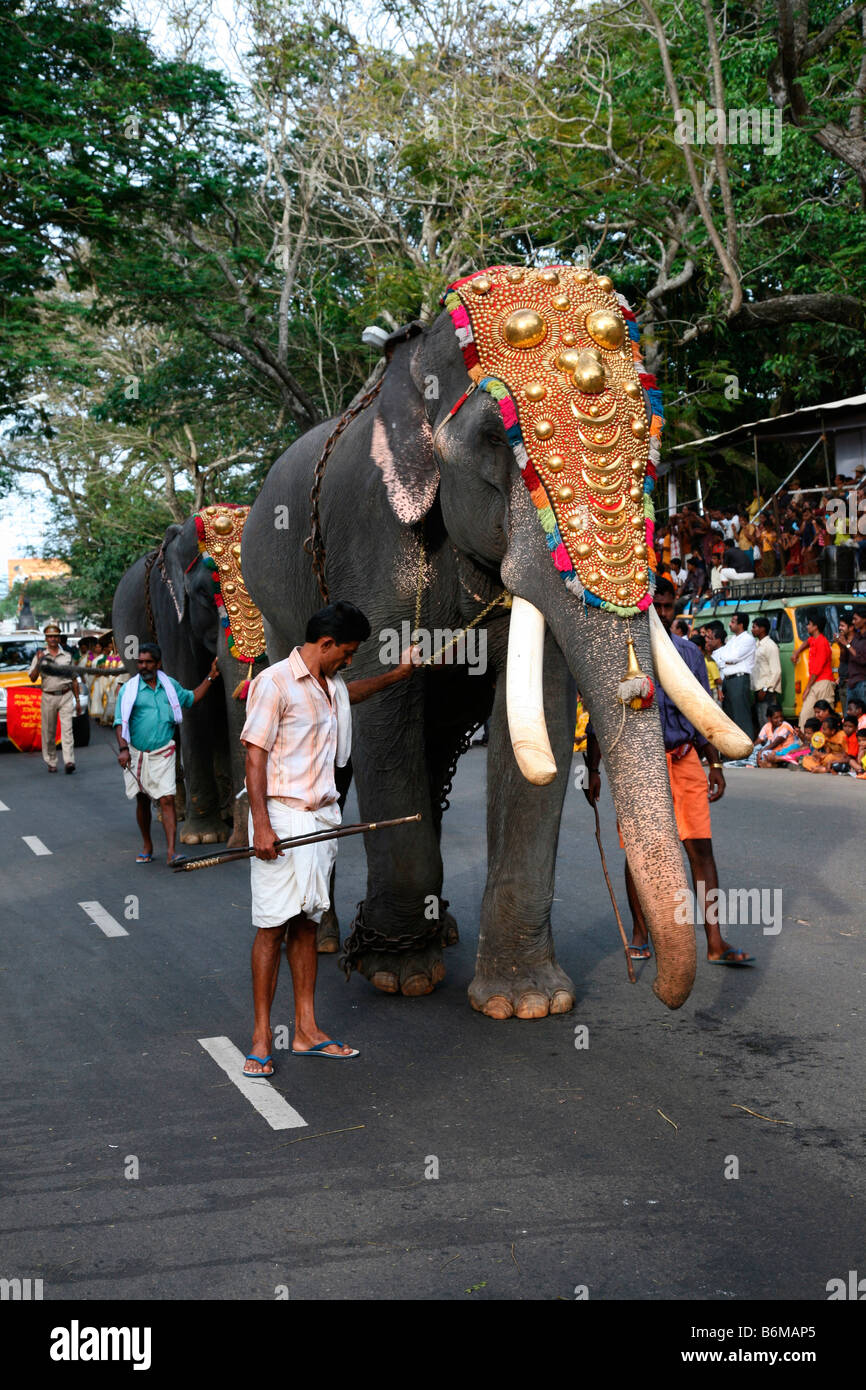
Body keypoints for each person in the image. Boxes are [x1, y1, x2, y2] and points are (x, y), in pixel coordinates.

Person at [240, 600, 419, 1074]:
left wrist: (398, 675)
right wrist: (261, 825)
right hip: (282, 820)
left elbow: (351, 693)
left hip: (323, 821)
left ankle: (306, 1030)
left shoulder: (330, 684)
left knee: (306, 924)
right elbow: (254, 758)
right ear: (325, 644)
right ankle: (261, 1037)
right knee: (272, 926)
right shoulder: (273, 683)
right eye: (347, 651)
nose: (350, 660)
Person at [585, 577, 753, 967]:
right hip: (638, 767)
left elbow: (702, 712)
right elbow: (600, 718)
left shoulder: (688, 654)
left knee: (700, 848)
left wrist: (714, 763)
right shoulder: (617, 653)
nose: (662, 613)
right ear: (640, 605)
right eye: (655, 606)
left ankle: (714, 941)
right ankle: (641, 933)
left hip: (684, 758)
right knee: (639, 853)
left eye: (668, 606)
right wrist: (592, 768)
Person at [114, 642, 220, 864]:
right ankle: (147, 844)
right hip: (136, 754)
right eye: (140, 662)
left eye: (148, 662)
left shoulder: (170, 686)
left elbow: (191, 698)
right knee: (142, 800)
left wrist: (210, 677)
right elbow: (119, 723)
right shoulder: (129, 690)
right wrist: (123, 750)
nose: (143, 666)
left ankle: (172, 852)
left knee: (167, 799)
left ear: (158, 663)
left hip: (163, 752)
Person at [28, 622, 82, 774]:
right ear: (46, 639)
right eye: (50, 636)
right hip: (48, 696)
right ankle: (51, 761)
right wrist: (39, 662)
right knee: (49, 731)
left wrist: (77, 701)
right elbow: (32, 678)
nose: (52, 639)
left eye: (55, 636)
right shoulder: (40, 656)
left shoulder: (67, 656)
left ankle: (69, 761)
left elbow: (74, 679)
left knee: (67, 730)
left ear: (59, 638)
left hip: (65, 695)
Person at [715, 612, 757, 742]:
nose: (730, 624)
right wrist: (725, 659)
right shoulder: (732, 639)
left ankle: (747, 750)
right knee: (730, 717)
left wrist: (725, 659)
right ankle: (733, 753)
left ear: (741, 624)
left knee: (741, 717)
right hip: (727, 680)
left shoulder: (747, 639)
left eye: (733, 621)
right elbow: (718, 657)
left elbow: (733, 657)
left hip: (739, 679)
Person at [792, 613, 836, 726]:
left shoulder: (822, 642)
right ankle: (803, 742)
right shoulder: (814, 639)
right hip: (815, 683)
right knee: (805, 715)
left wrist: (807, 688)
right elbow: (808, 641)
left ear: (815, 627)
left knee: (826, 718)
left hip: (823, 683)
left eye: (809, 624)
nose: (807, 626)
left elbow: (817, 670)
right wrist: (797, 651)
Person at [751, 616, 782, 729]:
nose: (752, 630)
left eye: (754, 627)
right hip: (759, 689)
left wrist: (765, 689)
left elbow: (776, 671)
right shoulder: (757, 644)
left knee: (768, 722)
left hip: (767, 690)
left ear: (762, 629)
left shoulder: (770, 646)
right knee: (761, 721)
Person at [837, 606, 866, 711]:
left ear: (864, 620)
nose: (853, 622)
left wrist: (847, 645)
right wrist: (842, 646)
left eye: (856, 619)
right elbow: (845, 659)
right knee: (849, 717)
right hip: (851, 683)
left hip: (862, 683)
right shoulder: (856, 637)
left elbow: (862, 660)